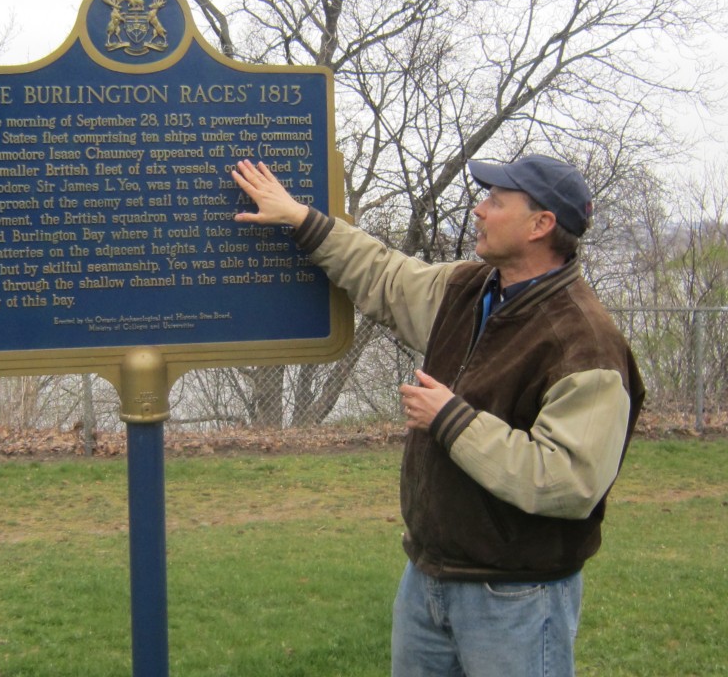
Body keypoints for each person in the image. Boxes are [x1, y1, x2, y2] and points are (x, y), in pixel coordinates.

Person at [231, 155, 645, 677]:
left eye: (496, 201)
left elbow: (567, 482)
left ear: (541, 225)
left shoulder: (586, 345)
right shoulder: (468, 289)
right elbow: (383, 274)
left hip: (516, 597)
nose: (478, 210)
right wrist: (301, 218)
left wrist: (451, 419)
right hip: (428, 578)